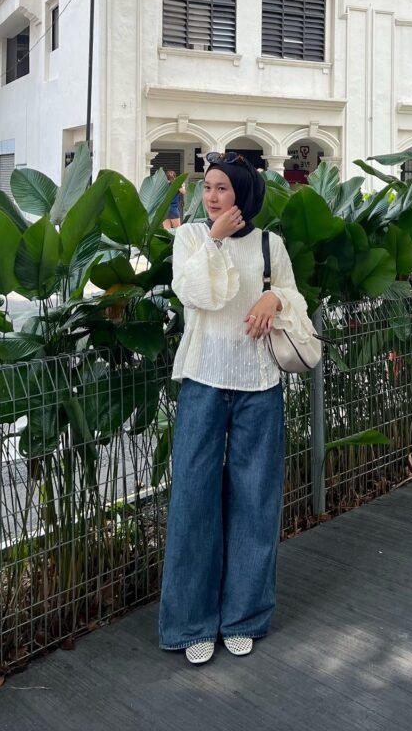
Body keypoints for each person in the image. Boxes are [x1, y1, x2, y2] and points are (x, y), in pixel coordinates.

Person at [159, 151, 316, 665]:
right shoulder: (190, 239)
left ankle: (244, 616)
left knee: (255, 500)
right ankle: (191, 623)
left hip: (259, 383)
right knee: (193, 501)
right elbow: (194, 294)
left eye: (222, 189)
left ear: (244, 193)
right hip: (205, 379)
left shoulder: (272, 245)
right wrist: (215, 238)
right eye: (207, 188)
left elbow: (292, 297)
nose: (212, 197)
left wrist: (276, 301)